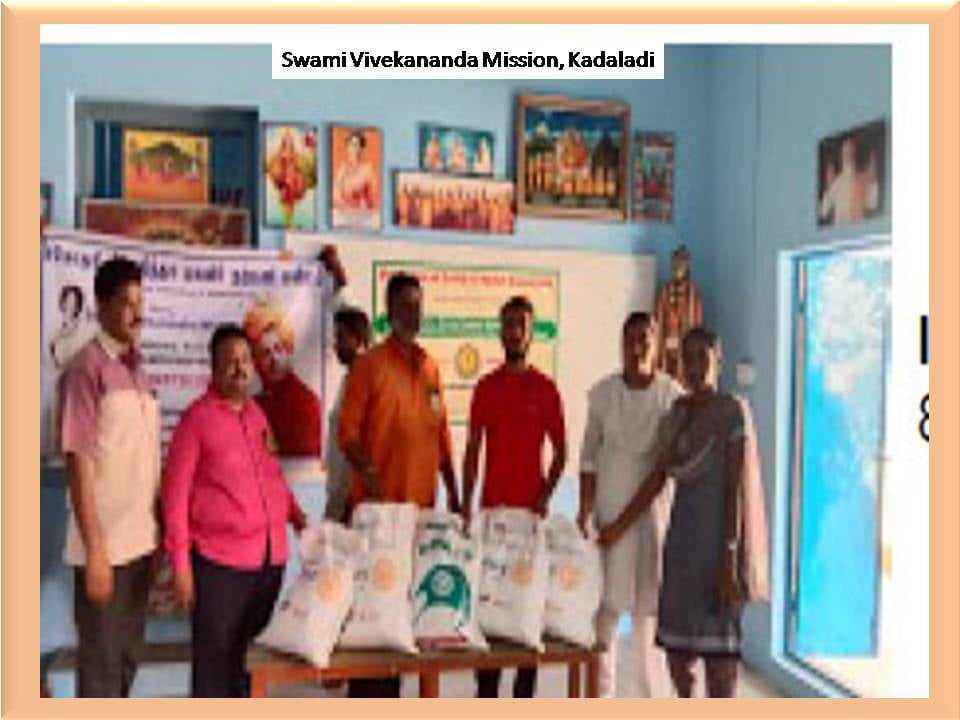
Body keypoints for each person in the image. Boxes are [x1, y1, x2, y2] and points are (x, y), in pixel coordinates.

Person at [597, 327, 768, 698]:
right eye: (687, 358)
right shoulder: (677, 414)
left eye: (701, 356)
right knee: (679, 659)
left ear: (718, 358)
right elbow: (657, 477)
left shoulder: (731, 411)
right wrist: (619, 526)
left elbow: (736, 487)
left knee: (721, 666)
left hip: (720, 549)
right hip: (682, 548)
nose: (693, 366)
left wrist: (730, 555)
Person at [162, 324, 307, 697]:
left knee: (250, 666)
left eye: (245, 360)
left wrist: (296, 516)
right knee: (215, 668)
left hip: (269, 562)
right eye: (230, 361)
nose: (240, 369)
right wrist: (180, 566)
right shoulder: (196, 421)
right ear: (213, 368)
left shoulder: (257, 415)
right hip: (219, 567)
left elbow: (272, 475)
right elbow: (174, 497)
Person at [338, 272, 461, 698]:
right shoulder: (370, 365)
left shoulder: (430, 367)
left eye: (418, 304)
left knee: (405, 618)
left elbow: (442, 437)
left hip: (418, 520)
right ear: (389, 311)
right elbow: (347, 434)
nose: (413, 312)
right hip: (376, 518)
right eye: (405, 304)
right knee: (371, 620)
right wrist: (367, 470)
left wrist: (455, 494)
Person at [57, 257, 160, 697]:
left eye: (141, 302)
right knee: (100, 670)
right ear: (100, 305)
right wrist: (96, 551)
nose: (137, 313)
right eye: (126, 303)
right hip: (105, 550)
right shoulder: (85, 369)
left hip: (141, 545)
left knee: (127, 660)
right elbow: (78, 460)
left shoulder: (138, 370)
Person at [462, 295, 567, 698]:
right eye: (508, 324)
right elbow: (472, 450)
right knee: (489, 609)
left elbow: (562, 451)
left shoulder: (546, 389)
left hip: (530, 523)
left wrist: (545, 496)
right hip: (492, 518)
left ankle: (525, 697)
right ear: (500, 331)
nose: (515, 331)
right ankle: (486, 694)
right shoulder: (486, 388)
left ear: (532, 332)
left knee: (526, 612)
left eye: (522, 324)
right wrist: (466, 505)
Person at [578, 312, 683, 698]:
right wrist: (585, 512)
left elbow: (661, 472)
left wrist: (622, 524)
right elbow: (588, 459)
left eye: (645, 340)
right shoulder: (603, 395)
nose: (637, 348)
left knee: (647, 624)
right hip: (606, 524)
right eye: (630, 340)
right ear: (621, 345)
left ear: (655, 345)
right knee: (604, 617)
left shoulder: (671, 397)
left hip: (650, 524)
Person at [243, 297, 323, 456]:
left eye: (278, 349)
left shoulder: (305, 402)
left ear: (288, 348)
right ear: (255, 361)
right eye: (265, 353)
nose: (274, 359)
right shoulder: (254, 405)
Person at [323, 306, 371, 523]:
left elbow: (354, 448)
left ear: (357, 339)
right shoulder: (349, 379)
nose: (335, 345)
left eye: (340, 337)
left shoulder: (366, 382)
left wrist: (342, 504)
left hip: (351, 503)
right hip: (340, 496)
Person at [654, 245, 703, 380]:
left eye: (680, 264)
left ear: (687, 267)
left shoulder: (693, 294)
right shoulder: (664, 291)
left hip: (685, 351)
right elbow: (658, 321)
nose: (676, 268)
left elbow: (696, 325)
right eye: (674, 264)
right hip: (665, 349)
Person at [333, 129, 378, 229]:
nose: (355, 149)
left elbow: (371, 201)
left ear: (362, 149)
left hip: (361, 219)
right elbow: (335, 194)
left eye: (358, 145)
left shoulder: (368, 170)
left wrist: (361, 210)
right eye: (352, 145)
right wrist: (345, 207)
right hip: (344, 217)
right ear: (347, 148)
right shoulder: (342, 169)